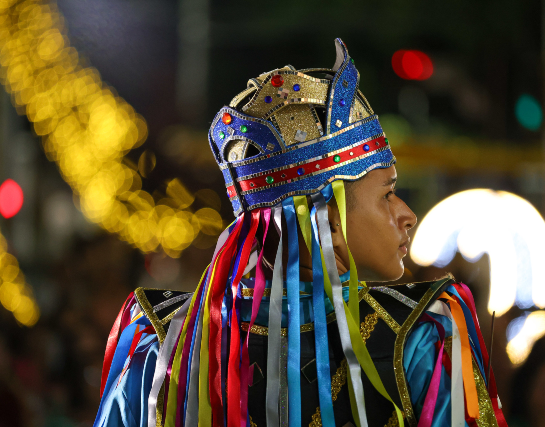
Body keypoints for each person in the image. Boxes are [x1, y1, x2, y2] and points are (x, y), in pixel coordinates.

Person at [94, 39, 508, 427]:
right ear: (325, 218)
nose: (408, 215)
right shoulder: (420, 339)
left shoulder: (164, 344)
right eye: (388, 194)